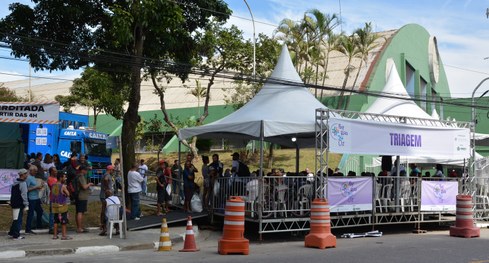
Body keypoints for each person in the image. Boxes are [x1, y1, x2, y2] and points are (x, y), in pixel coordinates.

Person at [8, 169, 29, 240]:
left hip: (14, 202)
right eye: (26, 174)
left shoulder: (15, 182)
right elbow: (24, 195)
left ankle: (12, 232)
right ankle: (16, 235)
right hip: (19, 203)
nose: (27, 175)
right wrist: (26, 204)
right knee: (18, 219)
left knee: (15, 218)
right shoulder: (22, 183)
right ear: (23, 175)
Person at [50, 171, 71, 240]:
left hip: (54, 205)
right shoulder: (63, 186)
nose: (65, 179)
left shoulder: (53, 185)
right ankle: (64, 236)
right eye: (64, 177)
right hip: (62, 206)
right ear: (60, 177)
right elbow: (68, 194)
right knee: (63, 221)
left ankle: (55, 235)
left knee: (55, 221)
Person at [25, 165, 45, 234]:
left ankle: (38, 225)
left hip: (36, 198)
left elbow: (35, 186)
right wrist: (35, 188)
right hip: (31, 198)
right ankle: (28, 228)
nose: (36, 172)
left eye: (36, 171)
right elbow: (26, 189)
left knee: (40, 211)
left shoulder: (33, 177)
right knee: (30, 213)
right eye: (35, 171)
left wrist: (40, 186)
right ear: (31, 170)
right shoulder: (28, 178)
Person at [75, 166, 93, 233]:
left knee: (78, 212)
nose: (87, 172)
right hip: (82, 196)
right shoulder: (81, 177)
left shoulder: (77, 176)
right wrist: (89, 184)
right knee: (80, 212)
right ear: (82, 170)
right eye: (86, 170)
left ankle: (79, 227)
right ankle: (79, 228)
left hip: (78, 196)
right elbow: (84, 187)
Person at [99, 165, 114, 236]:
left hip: (105, 195)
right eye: (112, 170)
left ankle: (103, 225)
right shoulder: (107, 175)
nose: (113, 171)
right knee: (105, 210)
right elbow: (105, 179)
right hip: (105, 195)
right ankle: (103, 226)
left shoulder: (106, 174)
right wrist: (107, 189)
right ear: (110, 170)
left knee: (104, 210)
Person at [46, 167, 58, 235]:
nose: (56, 172)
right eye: (55, 171)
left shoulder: (56, 178)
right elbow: (54, 187)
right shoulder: (50, 179)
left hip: (58, 198)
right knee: (52, 213)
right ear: (51, 172)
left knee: (56, 213)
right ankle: (51, 228)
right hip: (53, 198)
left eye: (56, 171)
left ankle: (55, 227)